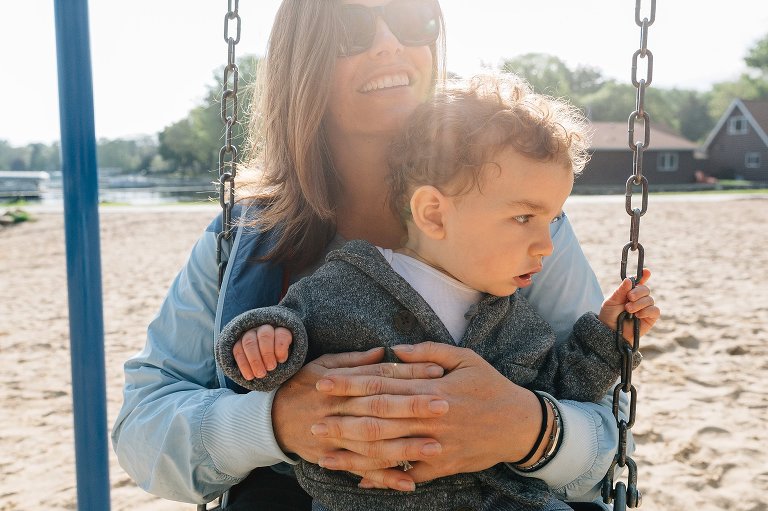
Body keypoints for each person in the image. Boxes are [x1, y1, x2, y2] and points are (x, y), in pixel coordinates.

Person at [112, 1, 642, 509]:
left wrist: (527, 429)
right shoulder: (247, 235)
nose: (390, 45)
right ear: (303, 58)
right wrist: (276, 423)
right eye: (351, 28)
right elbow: (143, 427)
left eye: (413, 19)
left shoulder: (519, 226)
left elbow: (608, 434)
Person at [214, 75, 658, 511]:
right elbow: (283, 346)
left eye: (552, 219)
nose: (547, 244)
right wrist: (266, 340)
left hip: (500, 499)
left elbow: (562, 385)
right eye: (525, 218)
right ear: (433, 213)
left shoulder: (514, 321)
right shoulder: (348, 284)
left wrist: (607, 337)